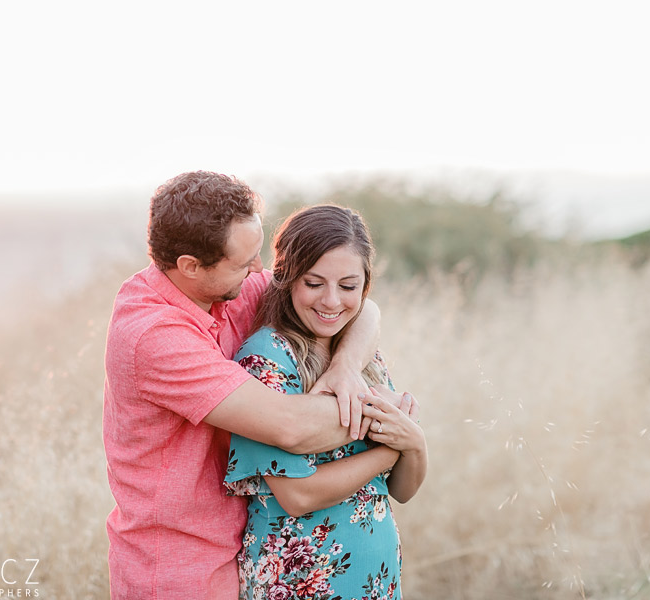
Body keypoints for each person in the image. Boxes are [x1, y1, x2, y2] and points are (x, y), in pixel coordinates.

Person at [103, 171, 410, 599]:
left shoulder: (232, 288)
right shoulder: (152, 335)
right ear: (191, 266)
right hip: (179, 566)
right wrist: (388, 417)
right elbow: (291, 426)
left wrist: (345, 367)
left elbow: (364, 308)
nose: (259, 269)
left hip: (244, 543)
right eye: (244, 262)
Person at [224, 204, 428, 599]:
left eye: (348, 286)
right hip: (300, 581)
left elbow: (401, 491)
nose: (332, 301)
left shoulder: (362, 356)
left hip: (373, 578)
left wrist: (415, 444)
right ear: (285, 279)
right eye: (314, 283)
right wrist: (392, 450)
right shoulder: (265, 359)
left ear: (366, 285)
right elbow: (297, 495)